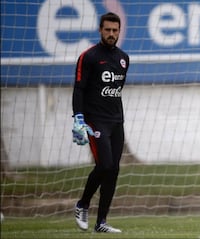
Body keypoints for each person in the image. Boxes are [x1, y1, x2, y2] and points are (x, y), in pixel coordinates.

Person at [72, 12, 129, 233]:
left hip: (117, 122)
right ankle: (82, 204)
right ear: (100, 30)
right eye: (108, 30)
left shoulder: (124, 59)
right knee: (104, 165)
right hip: (95, 121)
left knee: (113, 169)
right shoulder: (89, 57)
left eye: (115, 30)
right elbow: (79, 89)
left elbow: (115, 92)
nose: (111, 34)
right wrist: (78, 117)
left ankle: (101, 222)